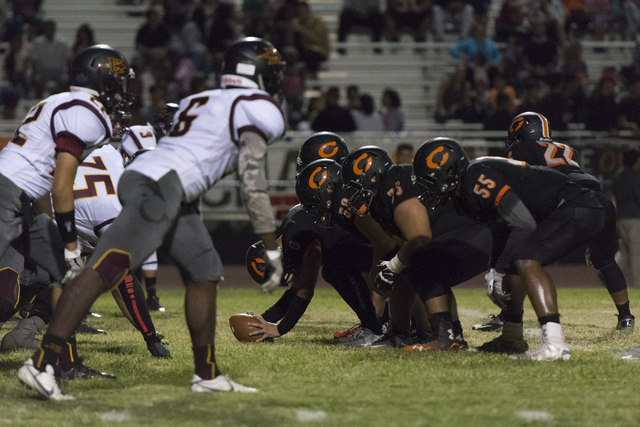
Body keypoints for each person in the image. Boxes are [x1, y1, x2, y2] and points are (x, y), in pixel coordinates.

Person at [18, 37, 285, 399]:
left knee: (204, 270)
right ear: (258, 74)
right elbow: (252, 182)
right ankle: (42, 362)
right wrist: (271, 246)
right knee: (105, 268)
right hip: (161, 186)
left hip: (162, 183)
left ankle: (206, 374)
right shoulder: (258, 107)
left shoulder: (199, 99)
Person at [0, 44, 132, 392]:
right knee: (68, 263)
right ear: (102, 79)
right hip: (6, 195)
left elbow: (43, 180)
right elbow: (61, 186)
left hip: (20, 198)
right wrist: (73, 242)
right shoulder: (88, 112)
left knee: (64, 273)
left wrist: (56, 240)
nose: (122, 88)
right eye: (117, 79)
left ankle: (62, 363)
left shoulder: (59, 100)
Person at [413, 137, 611, 360]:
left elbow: (522, 222)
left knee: (526, 260)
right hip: (573, 206)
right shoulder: (465, 190)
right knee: (514, 266)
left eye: (429, 181)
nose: (427, 188)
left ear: (448, 172)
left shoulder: (475, 177)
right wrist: (496, 267)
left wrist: (498, 271)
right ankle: (512, 337)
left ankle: (554, 344)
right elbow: (501, 228)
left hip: (577, 204)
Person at [334, 146, 492, 349]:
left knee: (420, 262)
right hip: (466, 234)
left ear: (373, 177)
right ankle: (401, 334)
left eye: (356, 186)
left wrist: (394, 265)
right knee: (409, 263)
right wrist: (395, 265)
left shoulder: (396, 181)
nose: (354, 194)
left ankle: (446, 337)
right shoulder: (386, 193)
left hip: (473, 235)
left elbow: (419, 238)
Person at [244, 133, 385, 344]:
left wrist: (278, 329)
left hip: (391, 250)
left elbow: (303, 290)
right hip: (384, 250)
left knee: (340, 267)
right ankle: (384, 325)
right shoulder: (304, 220)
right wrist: (264, 320)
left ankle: (381, 326)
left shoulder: (303, 226)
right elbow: (299, 288)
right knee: (341, 264)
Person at [504, 112, 634, 332]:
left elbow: (520, 186)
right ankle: (626, 317)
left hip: (571, 202)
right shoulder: (566, 149)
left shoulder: (520, 149)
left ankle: (509, 318)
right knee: (606, 261)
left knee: (523, 258)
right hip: (599, 201)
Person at [613, 149, 640, 290]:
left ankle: (608, 275)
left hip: (620, 217)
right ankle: (638, 285)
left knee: (623, 251)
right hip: (635, 218)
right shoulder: (635, 175)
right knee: (637, 253)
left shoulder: (617, 175)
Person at [27, 20, 70, 98]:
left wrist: (66, 71)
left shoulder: (62, 43)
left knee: (66, 79)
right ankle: (39, 101)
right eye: (48, 29)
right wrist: (34, 73)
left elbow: (67, 59)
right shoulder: (37, 42)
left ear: (54, 30)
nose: (49, 31)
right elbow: (34, 61)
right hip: (43, 71)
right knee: (37, 80)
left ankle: (63, 101)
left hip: (58, 71)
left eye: (51, 29)